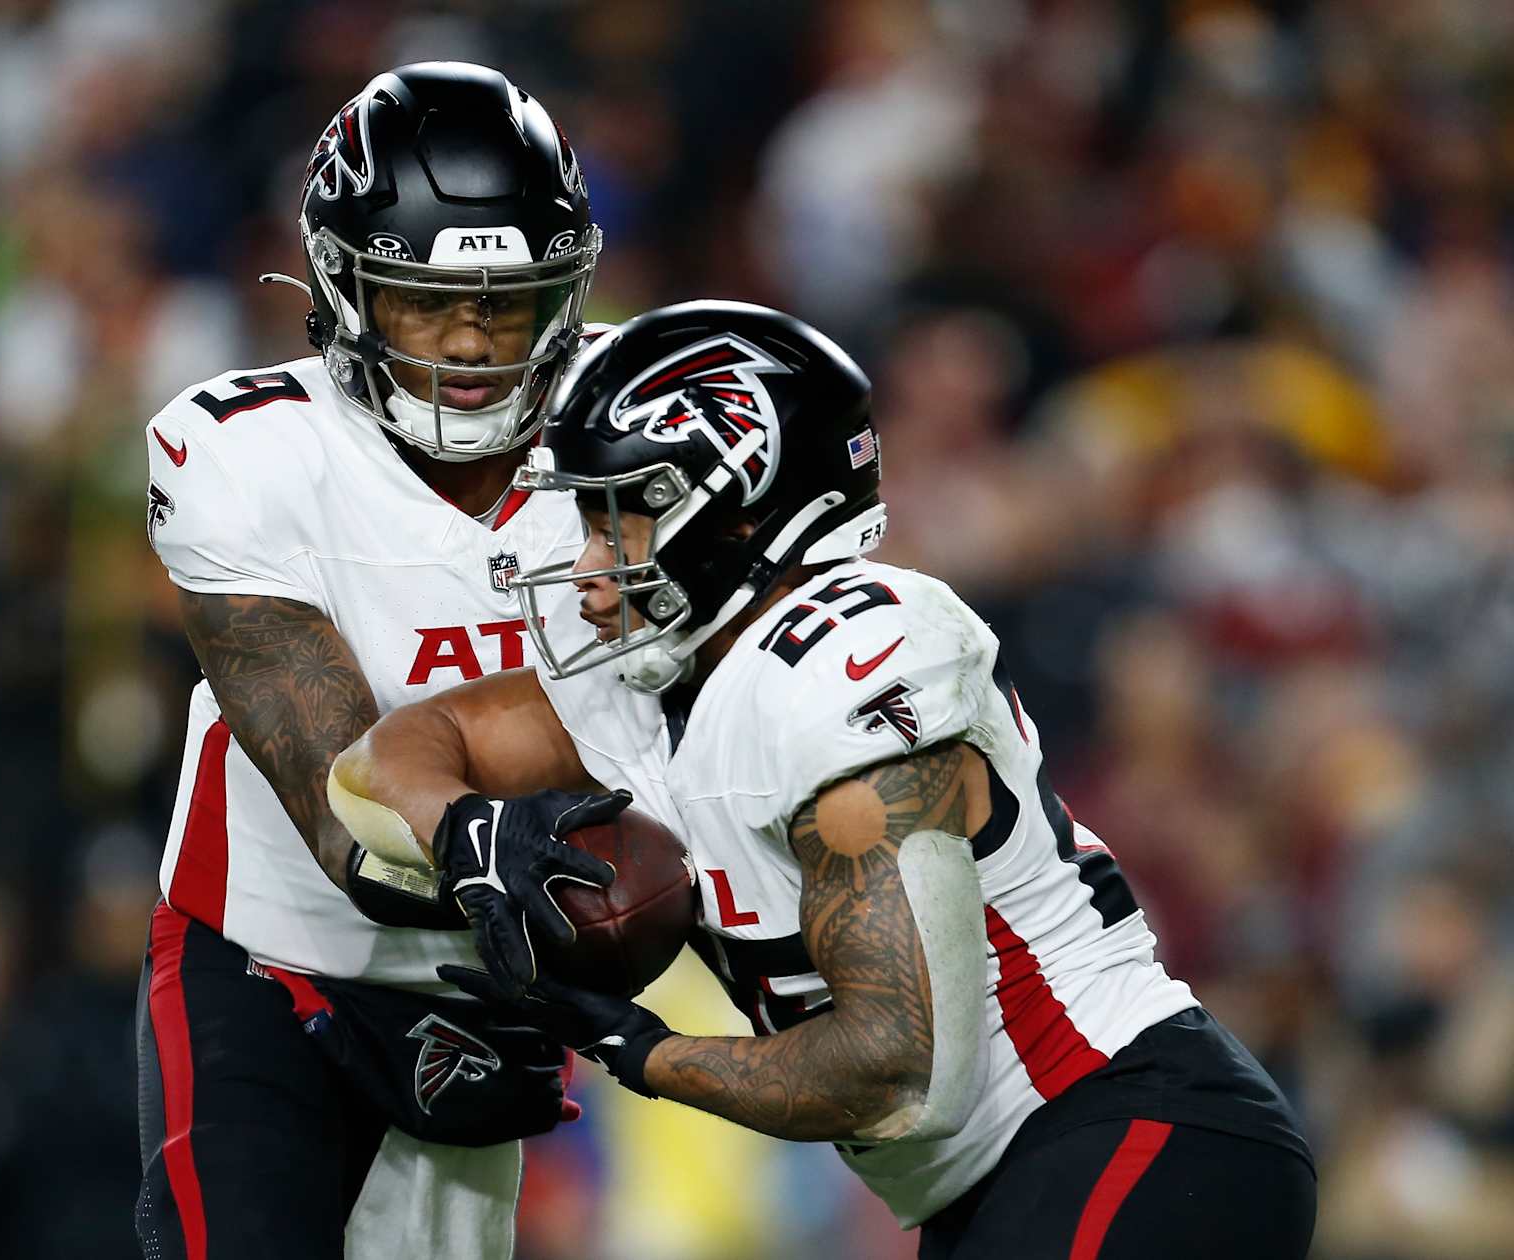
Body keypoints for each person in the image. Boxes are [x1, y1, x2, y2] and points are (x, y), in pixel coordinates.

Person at [333, 301, 1319, 1258]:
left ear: (737, 506)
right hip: (1007, 1183)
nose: (589, 568)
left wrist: (645, 1049)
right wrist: (466, 833)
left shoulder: (847, 658)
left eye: (620, 518)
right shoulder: (650, 692)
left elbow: (897, 1070)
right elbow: (389, 758)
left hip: (1128, 1126)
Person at [135, 62, 622, 1260]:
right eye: (425, 301)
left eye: (509, 301)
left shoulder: (633, 427)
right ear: (344, 287)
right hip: (270, 962)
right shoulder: (243, 450)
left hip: (487, 981)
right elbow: (339, 796)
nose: (470, 341)